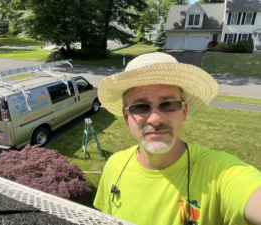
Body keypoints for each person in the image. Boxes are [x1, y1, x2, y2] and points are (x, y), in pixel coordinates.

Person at [93, 52, 261, 225]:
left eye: (168, 104)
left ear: (184, 111)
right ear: (126, 116)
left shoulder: (219, 172)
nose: (155, 119)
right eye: (140, 106)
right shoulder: (114, 166)